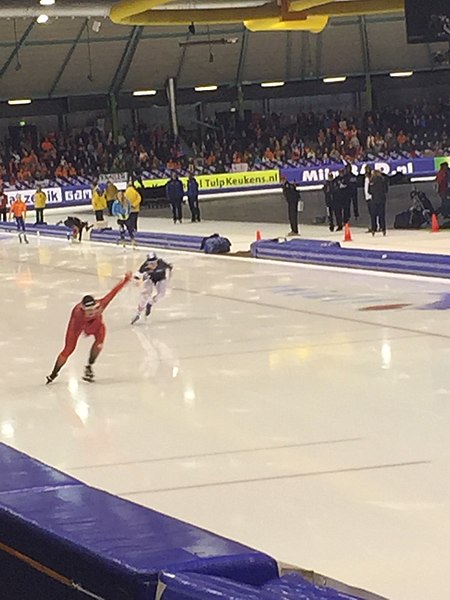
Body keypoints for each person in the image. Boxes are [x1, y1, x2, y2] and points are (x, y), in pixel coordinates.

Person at [46, 272, 132, 384]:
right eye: (88, 310)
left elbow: (113, 292)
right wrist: (86, 330)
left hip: (96, 325)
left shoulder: (101, 304)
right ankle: (54, 373)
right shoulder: (77, 313)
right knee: (68, 349)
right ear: (83, 309)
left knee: (99, 344)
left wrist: (126, 280)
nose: (91, 312)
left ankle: (89, 366)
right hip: (77, 327)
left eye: (93, 309)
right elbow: (81, 329)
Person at [131, 252, 172, 325]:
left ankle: (150, 304)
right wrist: (137, 281)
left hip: (161, 279)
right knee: (145, 295)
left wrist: (169, 278)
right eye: (151, 264)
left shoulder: (162, 263)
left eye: (154, 263)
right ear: (148, 263)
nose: (153, 265)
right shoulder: (144, 266)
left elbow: (170, 267)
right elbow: (137, 276)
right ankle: (138, 314)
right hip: (150, 279)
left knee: (162, 294)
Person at [368, 170, 389, 236]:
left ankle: (373, 229)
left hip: (374, 200)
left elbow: (369, 191)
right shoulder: (383, 180)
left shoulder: (371, 180)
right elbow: (386, 190)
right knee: (382, 215)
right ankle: (383, 229)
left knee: (373, 216)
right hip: (382, 199)